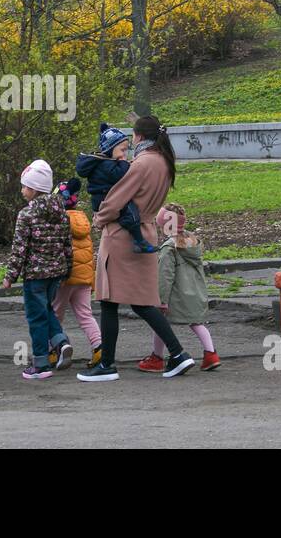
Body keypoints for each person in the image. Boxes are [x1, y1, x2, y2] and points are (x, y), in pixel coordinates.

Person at [78, 116, 195, 382]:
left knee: (108, 299)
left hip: (121, 235)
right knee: (143, 302)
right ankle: (177, 353)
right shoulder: (164, 162)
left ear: (140, 136)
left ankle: (107, 365)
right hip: (146, 231)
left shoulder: (142, 163)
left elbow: (117, 198)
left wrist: (99, 218)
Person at [4, 159, 73, 380]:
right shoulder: (61, 212)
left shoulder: (26, 214)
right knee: (47, 310)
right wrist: (68, 269)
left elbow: (19, 248)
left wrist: (10, 275)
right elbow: (67, 243)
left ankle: (41, 363)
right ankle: (61, 342)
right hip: (57, 272)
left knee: (36, 317)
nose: (22, 190)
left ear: (33, 188)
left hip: (35, 275)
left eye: (24, 186)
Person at [138, 203, 221, 372]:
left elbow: (165, 277)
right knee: (197, 324)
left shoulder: (169, 248)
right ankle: (211, 354)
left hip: (175, 296)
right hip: (195, 294)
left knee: (160, 324)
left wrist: (161, 300)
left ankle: (157, 358)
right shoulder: (193, 243)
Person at [76, 123, 156, 253]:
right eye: (122, 150)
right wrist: (126, 163)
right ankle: (139, 241)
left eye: (126, 150)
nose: (125, 154)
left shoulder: (103, 163)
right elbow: (121, 174)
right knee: (131, 213)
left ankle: (137, 240)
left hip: (101, 197)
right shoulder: (106, 165)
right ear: (110, 149)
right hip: (104, 198)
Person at [49, 178, 102, 369]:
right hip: (84, 277)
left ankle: (54, 350)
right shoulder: (82, 219)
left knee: (55, 314)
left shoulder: (58, 221)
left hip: (65, 277)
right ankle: (99, 348)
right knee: (85, 315)